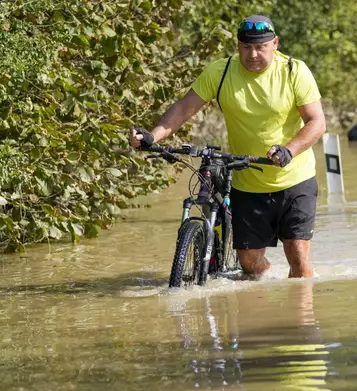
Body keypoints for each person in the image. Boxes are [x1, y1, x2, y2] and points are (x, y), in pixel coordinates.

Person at [130, 15, 326, 278]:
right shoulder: (220, 72)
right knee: (249, 264)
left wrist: (288, 149)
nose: (253, 54)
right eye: (246, 47)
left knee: (298, 255)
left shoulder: (294, 71)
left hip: (294, 177)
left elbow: (316, 122)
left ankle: (297, 316)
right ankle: (267, 297)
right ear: (238, 45)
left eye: (260, 47)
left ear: (275, 44)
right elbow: (184, 108)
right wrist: (153, 136)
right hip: (247, 181)